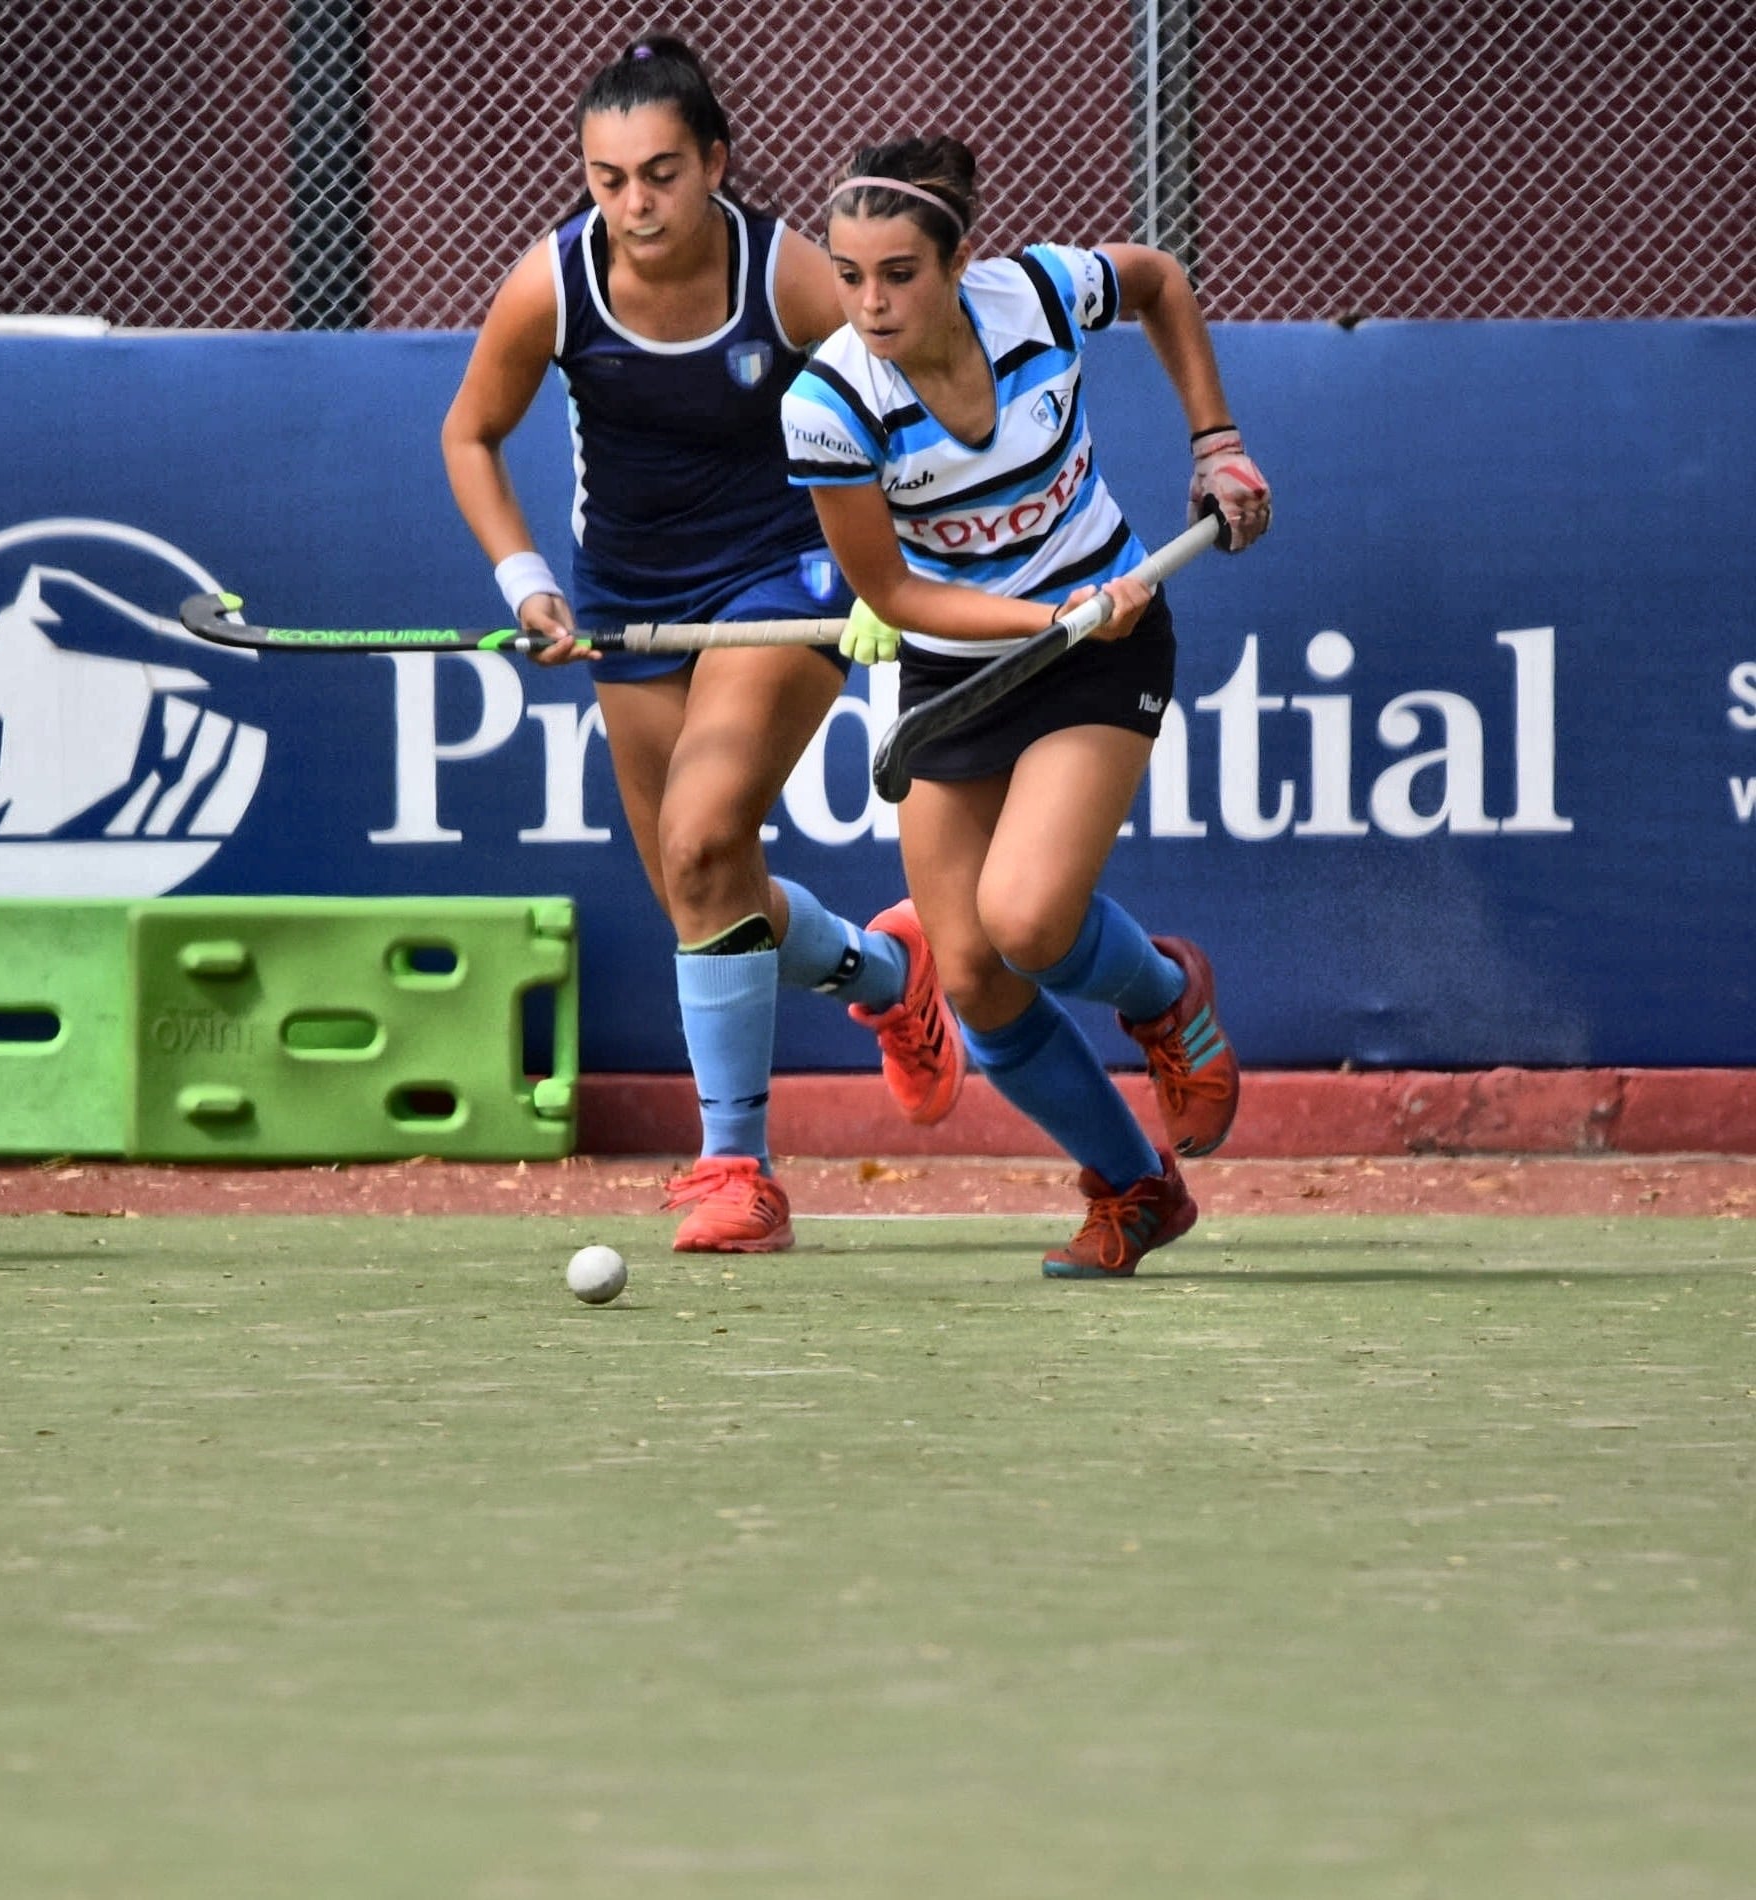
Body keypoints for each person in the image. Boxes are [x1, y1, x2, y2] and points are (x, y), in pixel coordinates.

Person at [441, 42, 965, 1254]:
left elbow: (914, 392)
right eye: (608, 179)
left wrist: (896, 574)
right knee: (702, 889)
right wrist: (526, 585)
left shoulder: (786, 276)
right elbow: (471, 435)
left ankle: (736, 1167)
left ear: (716, 163)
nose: (634, 204)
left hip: (783, 579)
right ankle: (890, 982)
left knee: (700, 833)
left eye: (661, 174)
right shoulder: (551, 286)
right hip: (628, 598)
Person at [781, 137, 1272, 1278]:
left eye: (898, 272)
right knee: (974, 974)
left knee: (1032, 921)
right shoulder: (829, 401)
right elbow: (891, 590)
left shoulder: (1040, 293)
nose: (870, 302)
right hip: (964, 665)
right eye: (849, 276)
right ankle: (1138, 1190)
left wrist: (1217, 443)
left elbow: (1155, 277)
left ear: (959, 263)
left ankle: (1165, 994)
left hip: (1105, 648)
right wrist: (1046, 614)